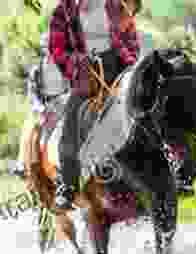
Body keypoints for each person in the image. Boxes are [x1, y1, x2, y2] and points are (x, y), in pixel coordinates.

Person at [48, 0, 142, 212]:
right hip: (85, 74)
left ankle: (161, 171)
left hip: (119, 69)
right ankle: (68, 186)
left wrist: (127, 61)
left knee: (143, 109)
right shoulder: (64, 11)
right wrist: (77, 63)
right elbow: (57, 49)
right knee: (71, 122)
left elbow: (132, 40)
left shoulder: (116, 5)